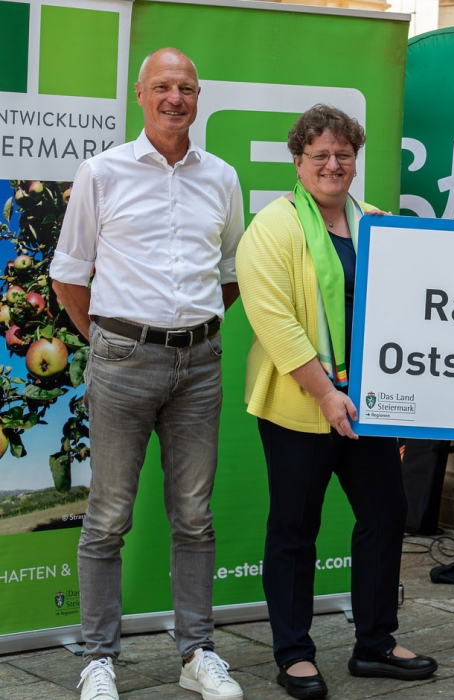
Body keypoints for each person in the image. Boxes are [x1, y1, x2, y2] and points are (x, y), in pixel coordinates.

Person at [50, 48, 244, 700]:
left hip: (200, 367)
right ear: (140, 94)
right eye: (162, 86)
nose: (174, 98)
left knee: (194, 518)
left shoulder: (221, 177)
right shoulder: (101, 172)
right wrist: (109, 339)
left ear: (198, 97)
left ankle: (197, 655)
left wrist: (186, 330)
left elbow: (229, 277)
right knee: (107, 518)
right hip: (123, 363)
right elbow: (68, 275)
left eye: (186, 87)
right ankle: (98, 660)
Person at [235, 104, 436, 700]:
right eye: (319, 155)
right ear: (297, 161)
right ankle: (294, 653)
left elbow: (407, 311)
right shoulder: (271, 228)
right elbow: (275, 324)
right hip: (300, 406)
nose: (332, 164)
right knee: (295, 528)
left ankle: (374, 644)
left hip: (369, 403)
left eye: (343, 155)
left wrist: (400, 403)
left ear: (355, 161)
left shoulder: (377, 221)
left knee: (384, 515)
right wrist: (325, 393)